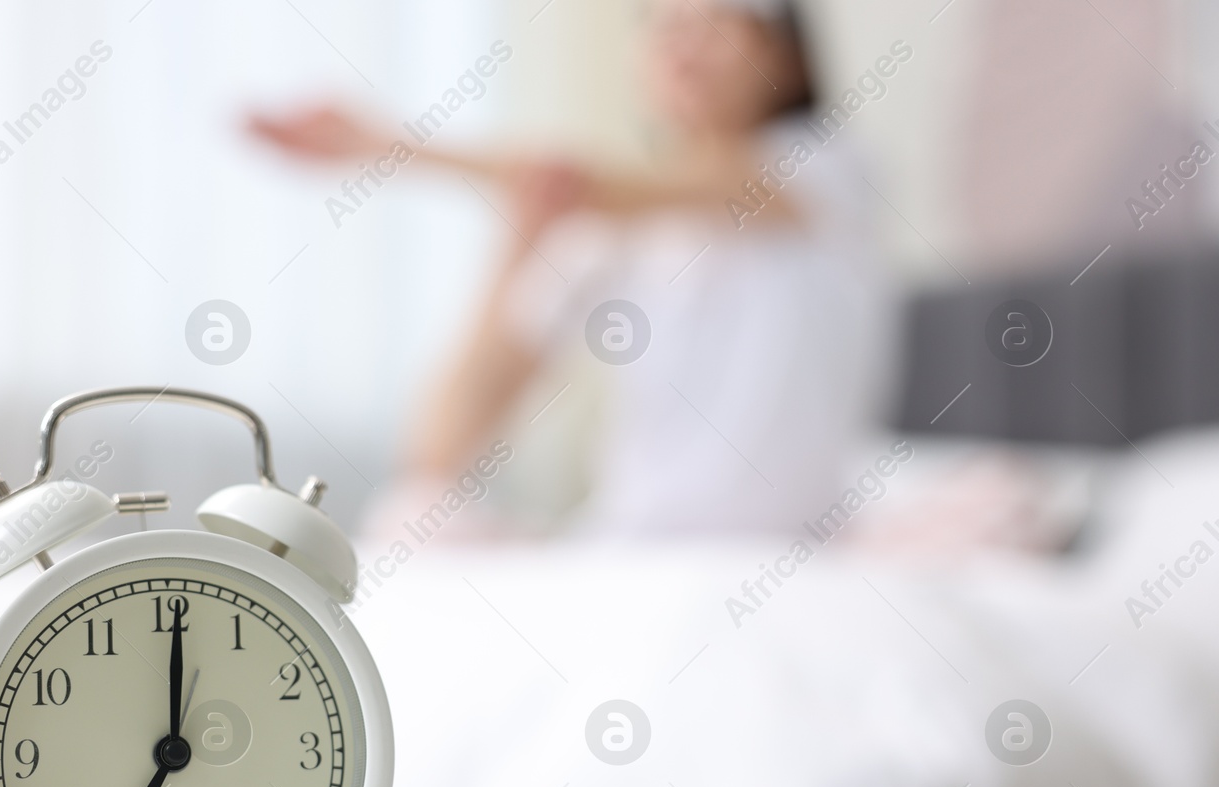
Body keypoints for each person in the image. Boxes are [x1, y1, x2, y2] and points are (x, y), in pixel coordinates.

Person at [251, 0, 889, 540]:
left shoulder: (826, 168)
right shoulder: (609, 226)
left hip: (781, 545)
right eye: (668, 30)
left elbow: (584, 181)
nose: (686, 51)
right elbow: (437, 454)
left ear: (787, 60)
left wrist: (384, 148)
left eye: (718, 28)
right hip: (635, 539)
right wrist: (518, 242)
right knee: (411, 519)